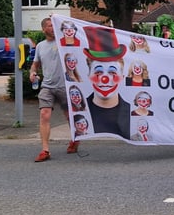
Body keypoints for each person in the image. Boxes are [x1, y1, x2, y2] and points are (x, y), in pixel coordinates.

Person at [30, 17, 80, 162]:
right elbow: (35, 65)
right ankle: (45, 150)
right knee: (44, 115)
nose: (53, 28)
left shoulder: (64, 42)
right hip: (47, 86)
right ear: (43, 29)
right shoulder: (40, 46)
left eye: (54, 25)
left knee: (69, 116)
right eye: (50, 26)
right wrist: (32, 73)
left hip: (65, 85)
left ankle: (75, 138)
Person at [83, 25, 131, 139]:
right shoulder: (81, 109)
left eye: (112, 73)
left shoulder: (132, 111)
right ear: (89, 75)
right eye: (98, 73)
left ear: (122, 77)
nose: (105, 79)